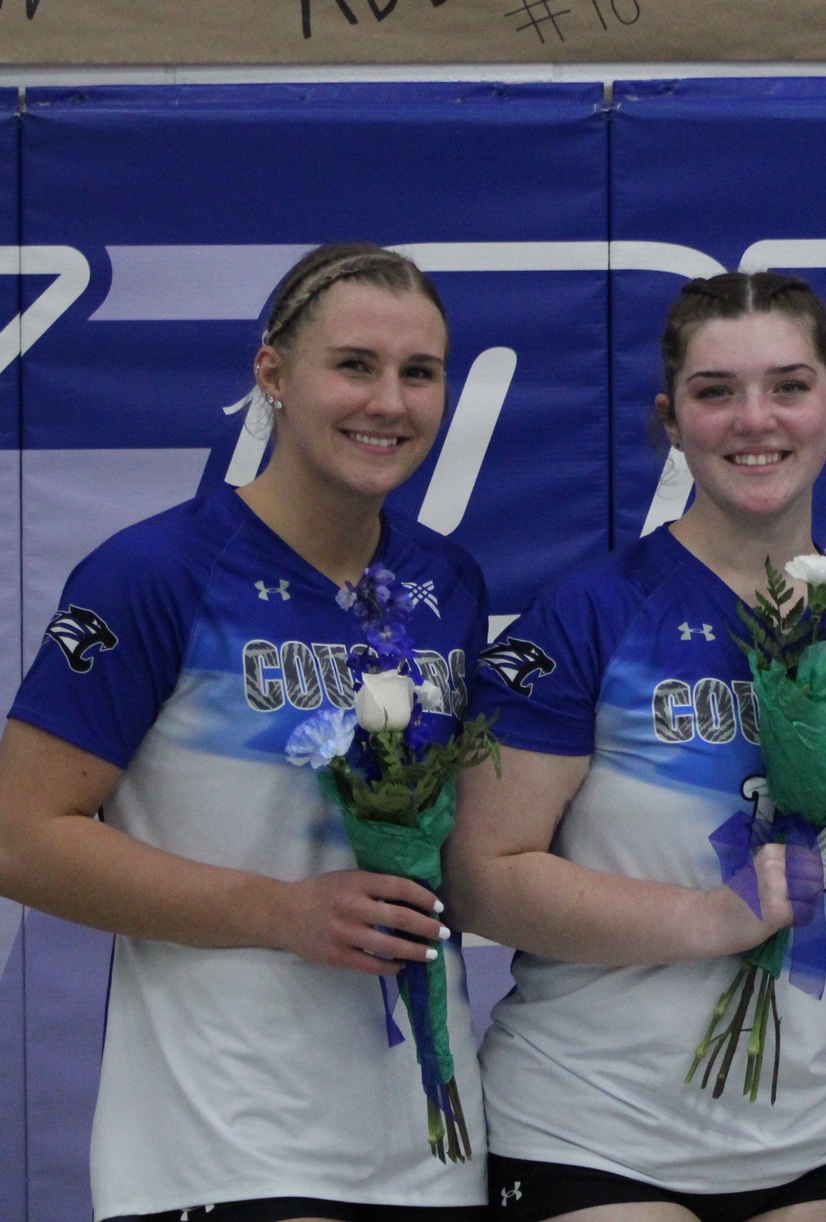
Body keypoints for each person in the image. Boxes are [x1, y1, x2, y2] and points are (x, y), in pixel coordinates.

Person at [0, 243, 487, 1222]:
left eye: (418, 372)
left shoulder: (447, 584)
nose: (388, 401)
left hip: (433, 1144)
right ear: (273, 373)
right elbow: (19, 834)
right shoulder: (155, 573)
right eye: (354, 364)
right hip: (224, 1143)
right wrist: (279, 911)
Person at [446, 272, 826, 1222]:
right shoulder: (594, 613)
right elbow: (481, 874)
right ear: (671, 420)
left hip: (818, 1137)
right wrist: (708, 918)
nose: (756, 419)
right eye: (717, 392)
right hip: (590, 1129)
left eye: (788, 386)